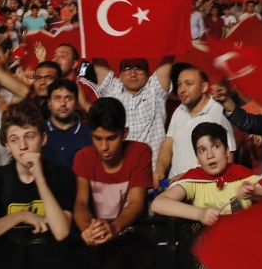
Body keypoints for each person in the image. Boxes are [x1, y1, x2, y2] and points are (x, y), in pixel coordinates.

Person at [0, 103, 76, 249]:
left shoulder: (62, 175)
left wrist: (39, 178)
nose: (23, 146)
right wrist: (20, 216)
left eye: (29, 136)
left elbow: (61, 232)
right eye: (14, 140)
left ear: (43, 138)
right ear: (7, 145)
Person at [150, 123, 262, 224]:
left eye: (215, 146)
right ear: (197, 158)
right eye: (202, 150)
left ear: (227, 151)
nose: (210, 155)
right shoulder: (193, 180)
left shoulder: (244, 177)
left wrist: (254, 193)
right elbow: (158, 204)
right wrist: (200, 214)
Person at [72, 98, 153, 245]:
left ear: (125, 133)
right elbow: (80, 203)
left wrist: (114, 228)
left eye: (111, 138)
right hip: (99, 239)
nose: (104, 147)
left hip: (136, 240)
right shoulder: (83, 157)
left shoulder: (141, 152)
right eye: (97, 138)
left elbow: (136, 202)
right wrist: (88, 229)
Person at [155, 67, 235, 184]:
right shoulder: (179, 110)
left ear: (204, 87)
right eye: (179, 84)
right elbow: (168, 144)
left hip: (202, 188)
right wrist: (159, 169)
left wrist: (192, 176)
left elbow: (228, 156)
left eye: (189, 84)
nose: (182, 89)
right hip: (173, 185)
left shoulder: (218, 112)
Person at [93, 57, 173, 166]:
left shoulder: (155, 89)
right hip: (120, 169)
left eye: (138, 68)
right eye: (127, 69)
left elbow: (169, 57)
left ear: (148, 74)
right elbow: (97, 54)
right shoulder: (112, 89)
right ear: (120, 76)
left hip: (152, 170)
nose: (133, 73)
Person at [41, 79, 91, 168]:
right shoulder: (39, 130)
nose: (63, 103)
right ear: (49, 103)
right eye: (57, 98)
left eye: (68, 98)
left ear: (76, 102)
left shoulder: (89, 134)